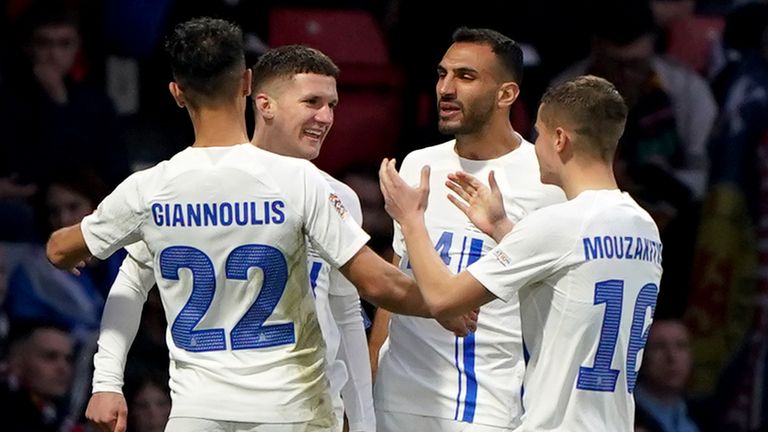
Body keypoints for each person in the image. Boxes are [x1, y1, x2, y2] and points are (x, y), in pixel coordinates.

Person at [46, 17, 466, 431]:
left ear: (176, 93)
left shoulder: (149, 191)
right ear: (249, 86)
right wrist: (446, 300)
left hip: (198, 412)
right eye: (312, 103)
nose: (325, 116)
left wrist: (77, 249)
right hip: (288, 409)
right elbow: (379, 285)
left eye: (331, 105)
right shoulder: (300, 181)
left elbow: (63, 251)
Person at [379, 75, 663, 431]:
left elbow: (444, 300)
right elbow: (569, 277)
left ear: (559, 139)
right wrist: (501, 228)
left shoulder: (558, 223)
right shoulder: (644, 226)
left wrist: (410, 221)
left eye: (538, 135)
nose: (535, 147)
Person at [369, 27, 565, 432]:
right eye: (442, 74)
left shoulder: (547, 181)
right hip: (396, 398)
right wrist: (369, 383)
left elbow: (557, 303)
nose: (446, 88)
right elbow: (398, 280)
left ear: (506, 94)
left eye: (465, 76)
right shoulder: (418, 164)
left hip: (487, 406)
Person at [0, 320, 75, 432]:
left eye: (68, 359)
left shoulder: (58, 417)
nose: (63, 368)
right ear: (17, 362)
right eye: (50, 357)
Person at [634, 319, 701, 432]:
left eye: (681, 346)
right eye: (659, 346)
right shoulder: (623, 413)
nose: (672, 357)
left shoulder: (703, 413)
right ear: (642, 356)